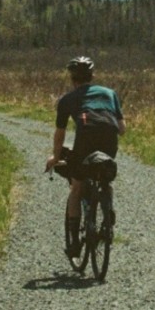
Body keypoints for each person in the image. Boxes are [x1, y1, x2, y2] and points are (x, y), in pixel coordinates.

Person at [44, 56, 126, 256]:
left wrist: (56, 158)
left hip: (85, 143)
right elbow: (122, 129)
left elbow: (60, 134)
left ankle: (74, 243)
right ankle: (107, 212)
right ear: (92, 76)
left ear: (72, 79)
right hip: (109, 142)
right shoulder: (110, 93)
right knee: (104, 175)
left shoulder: (67, 100)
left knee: (77, 187)